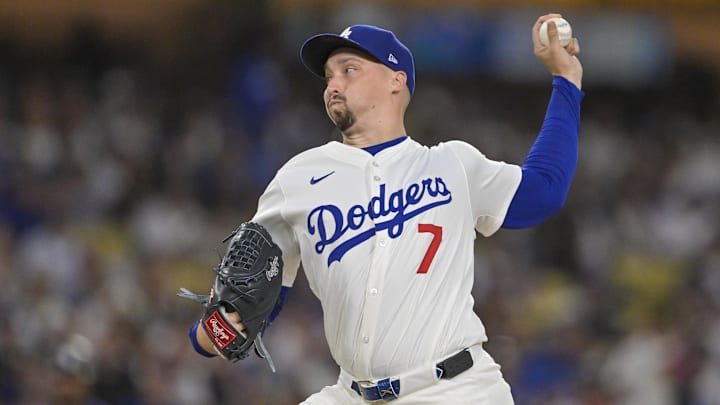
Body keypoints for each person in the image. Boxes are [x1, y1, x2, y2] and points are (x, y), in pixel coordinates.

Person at [188, 13, 583, 404]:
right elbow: (251, 302)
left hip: (456, 389)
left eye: (349, 69)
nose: (333, 84)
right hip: (351, 394)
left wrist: (566, 82)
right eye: (328, 76)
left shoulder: (452, 166)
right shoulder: (297, 179)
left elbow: (544, 191)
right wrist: (214, 331)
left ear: (397, 81)